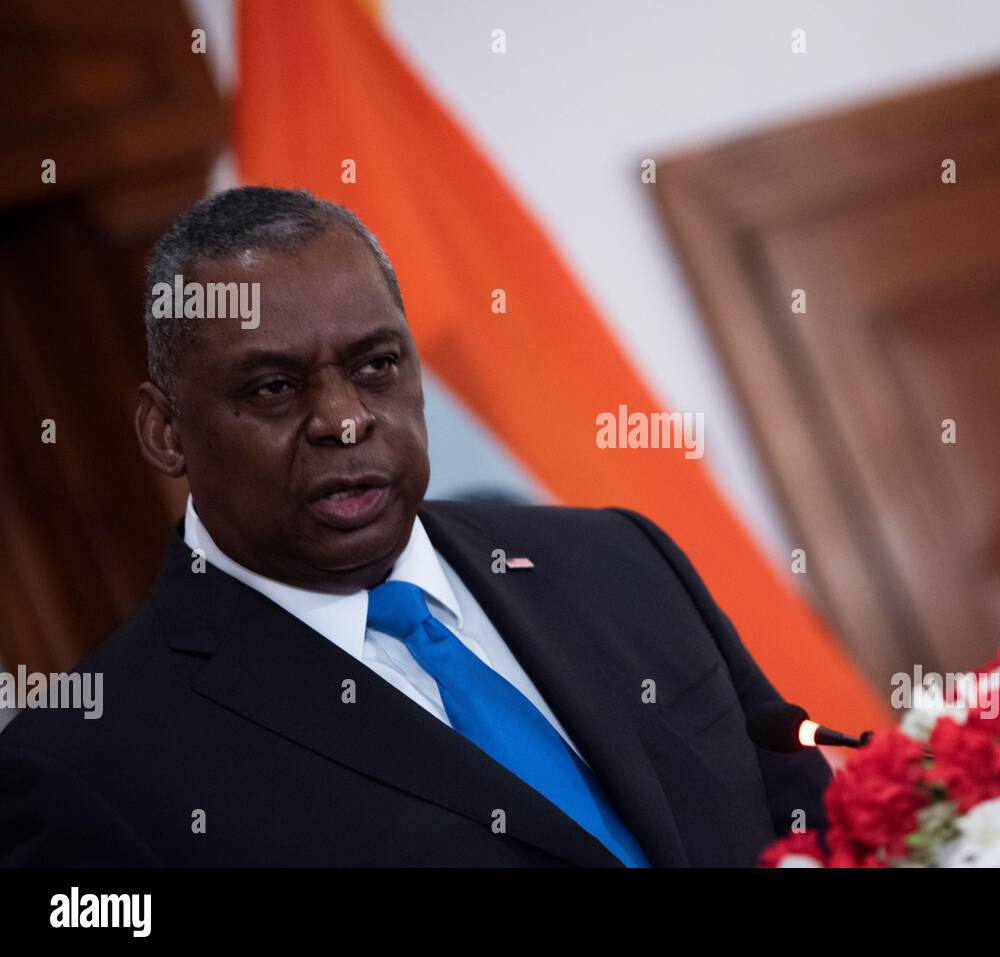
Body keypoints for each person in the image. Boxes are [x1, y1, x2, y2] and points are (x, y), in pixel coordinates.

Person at [0, 186, 831, 866]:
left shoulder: (622, 560)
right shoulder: (90, 766)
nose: (344, 420)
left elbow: (820, 829)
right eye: (272, 389)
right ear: (166, 432)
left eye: (375, 365)